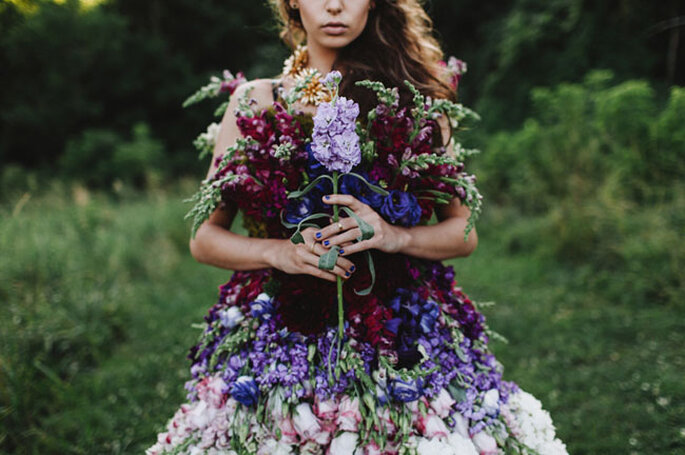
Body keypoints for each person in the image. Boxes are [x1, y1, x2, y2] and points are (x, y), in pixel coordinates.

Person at [146, 1, 568, 454]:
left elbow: (463, 232)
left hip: (400, 330)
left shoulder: (416, 96)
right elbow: (204, 238)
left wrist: (395, 236)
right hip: (280, 329)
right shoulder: (255, 99)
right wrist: (280, 252)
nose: (334, 5)